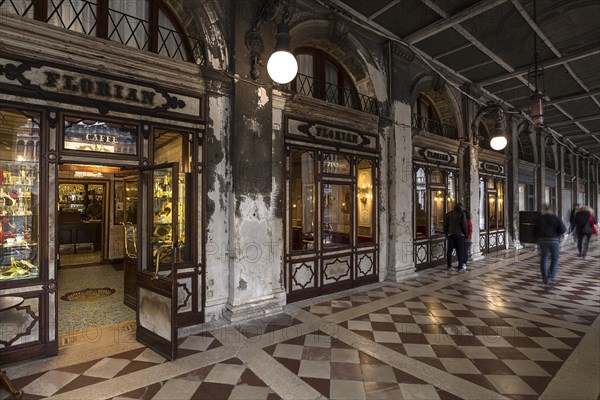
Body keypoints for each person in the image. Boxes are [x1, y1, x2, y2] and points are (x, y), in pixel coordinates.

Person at [534, 204, 566, 288]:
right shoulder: (556, 218)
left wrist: (536, 239)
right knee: (554, 259)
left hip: (542, 240)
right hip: (554, 240)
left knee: (544, 258)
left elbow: (535, 230)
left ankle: (545, 277)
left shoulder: (540, 218)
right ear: (552, 210)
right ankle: (551, 276)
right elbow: (563, 229)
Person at [444, 203, 467, 272]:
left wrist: (446, 234)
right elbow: (464, 226)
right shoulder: (462, 214)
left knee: (449, 251)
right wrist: (466, 235)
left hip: (450, 234)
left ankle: (449, 266)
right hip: (460, 235)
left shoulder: (448, 214)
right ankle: (460, 267)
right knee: (460, 251)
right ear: (460, 207)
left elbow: (445, 226)